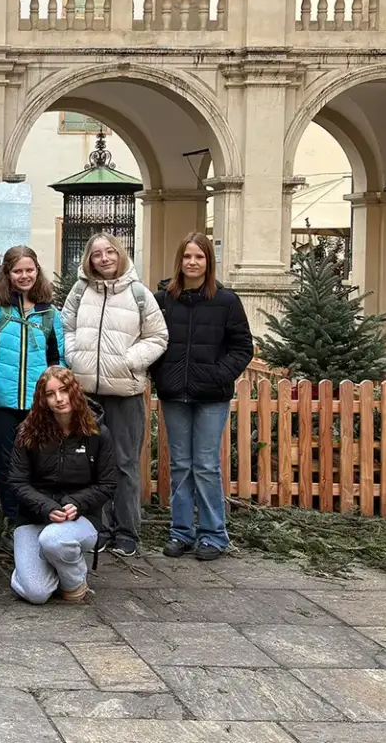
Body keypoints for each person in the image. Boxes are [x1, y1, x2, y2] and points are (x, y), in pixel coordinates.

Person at [62, 233, 169, 557]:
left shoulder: (139, 294)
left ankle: (127, 533)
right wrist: (74, 355)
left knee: (123, 464)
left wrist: (130, 361)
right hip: (87, 394)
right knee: (90, 464)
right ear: (89, 260)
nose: (104, 258)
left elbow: (158, 336)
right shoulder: (81, 291)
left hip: (124, 393)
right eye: (97, 254)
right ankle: (99, 529)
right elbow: (66, 326)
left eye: (110, 252)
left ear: (120, 255)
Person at [152, 232, 253, 561]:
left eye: (199, 257)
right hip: (174, 394)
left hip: (211, 397)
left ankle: (213, 535)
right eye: (187, 257)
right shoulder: (164, 299)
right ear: (179, 261)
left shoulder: (226, 301)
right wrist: (160, 375)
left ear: (208, 262)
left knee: (206, 465)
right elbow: (151, 341)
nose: (192, 262)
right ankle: (181, 532)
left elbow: (242, 348)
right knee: (180, 465)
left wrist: (219, 375)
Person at [8, 367, 116, 604]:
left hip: (81, 519)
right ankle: (34, 572)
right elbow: (17, 482)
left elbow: (108, 484)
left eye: (64, 390)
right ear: (42, 399)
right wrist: (45, 506)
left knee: (54, 541)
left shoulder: (98, 433)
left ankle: (74, 583)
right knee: (36, 594)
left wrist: (76, 503)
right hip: (34, 518)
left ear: (74, 391)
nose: (59, 399)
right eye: (50, 394)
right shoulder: (27, 433)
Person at [0, 245, 64, 520]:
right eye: (18, 271)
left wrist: (54, 392)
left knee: (38, 460)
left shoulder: (49, 313)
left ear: (37, 271)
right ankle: (12, 519)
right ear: (8, 273)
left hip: (38, 403)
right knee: (7, 462)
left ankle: (35, 516)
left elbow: (57, 357)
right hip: (0, 400)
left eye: (30, 269)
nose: (24, 275)